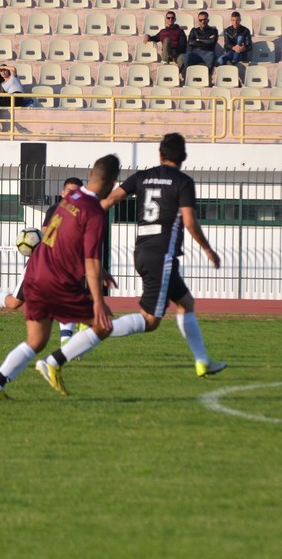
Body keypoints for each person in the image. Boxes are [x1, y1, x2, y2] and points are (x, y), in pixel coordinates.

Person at [0, 155, 121, 401]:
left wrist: (99, 271)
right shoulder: (94, 211)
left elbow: (65, 239)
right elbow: (91, 259)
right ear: (113, 182)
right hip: (56, 281)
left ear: (90, 174)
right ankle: (53, 362)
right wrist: (98, 300)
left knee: (36, 340)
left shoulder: (70, 198)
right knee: (103, 324)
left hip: (35, 273)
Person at [94, 133, 227, 378]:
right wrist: (208, 250)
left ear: (160, 154)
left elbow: (110, 199)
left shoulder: (142, 176)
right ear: (183, 156)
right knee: (150, 320)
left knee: (186, 303)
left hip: (143, 251)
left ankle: (202, 361)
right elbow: (190, 222)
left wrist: (82, 217)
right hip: (161, 255)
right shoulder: (183, 182)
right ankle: (95, 329)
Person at [0, 177, 86, 348]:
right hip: (42, 263)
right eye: (69, 191)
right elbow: (46, 235)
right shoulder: (56, 210)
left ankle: (67, 343)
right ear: (62, 193)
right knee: (14, 303)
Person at [183, 10, 218, 78]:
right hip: (195, 52)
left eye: (204, 20)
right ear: (198, 21)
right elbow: (190, 43)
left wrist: (199, 39)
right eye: (200, 20)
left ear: (208, 20)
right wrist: (206, 40)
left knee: (211, 57)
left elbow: (212, 42)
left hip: (208, 52)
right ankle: (192, 76)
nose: (202, 22)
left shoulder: (213, 30)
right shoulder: (194, 30)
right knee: (186, 57)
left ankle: (204, 78)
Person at [0, 63, 24, 132]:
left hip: (18, 97)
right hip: (10, 98)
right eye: (1, 71)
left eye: (5, 70)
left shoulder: (13, 77)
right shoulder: (2, 83)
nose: (3, 72)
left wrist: (2, 67)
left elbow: (14, 69)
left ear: (8, 70)